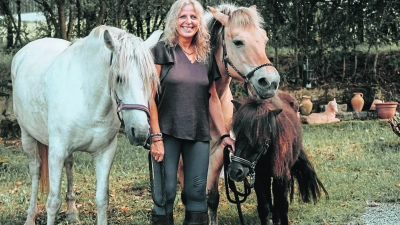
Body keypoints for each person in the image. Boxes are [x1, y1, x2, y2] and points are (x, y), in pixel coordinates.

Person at [148, 0, 235, 224]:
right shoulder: (162, 50)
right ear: (174, 21)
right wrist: (155, 136)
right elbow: (150, 97)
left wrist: (225, 134)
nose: (188, 22)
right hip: (166, 133)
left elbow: (213, 97)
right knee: (164, 193)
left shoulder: (206, 56)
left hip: (198, 134)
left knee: (197, 194)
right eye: (183, 16)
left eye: (193, 17)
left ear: (200, 23)